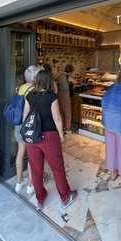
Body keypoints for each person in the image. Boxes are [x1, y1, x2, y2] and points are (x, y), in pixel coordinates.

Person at [22, 69, 78, 209]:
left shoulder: (29, 95)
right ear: (49, 82)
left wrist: (26, 135)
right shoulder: (51, 97)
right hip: (49, 137)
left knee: (36, 169)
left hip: (32, 137)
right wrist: (61, 134)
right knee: (57, 168)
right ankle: (65, 197)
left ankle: (40, 199)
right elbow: (57, 118)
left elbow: (25, 117)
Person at [14, 65, 41, 194]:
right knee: (31, 155)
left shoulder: (21, 88)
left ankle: (19, 182)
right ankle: (30, 185)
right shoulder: (33, 90)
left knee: (20, 152)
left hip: (18, 124)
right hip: (29, 124)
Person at [56, 64, 77, 132]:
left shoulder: (59, 75)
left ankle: (62, 127)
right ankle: (67, 129)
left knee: (61, 111)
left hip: (59, 94)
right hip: (65, 94)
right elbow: (75, 82)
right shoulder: (67, 76)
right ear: (71, 71)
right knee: (67, 112)